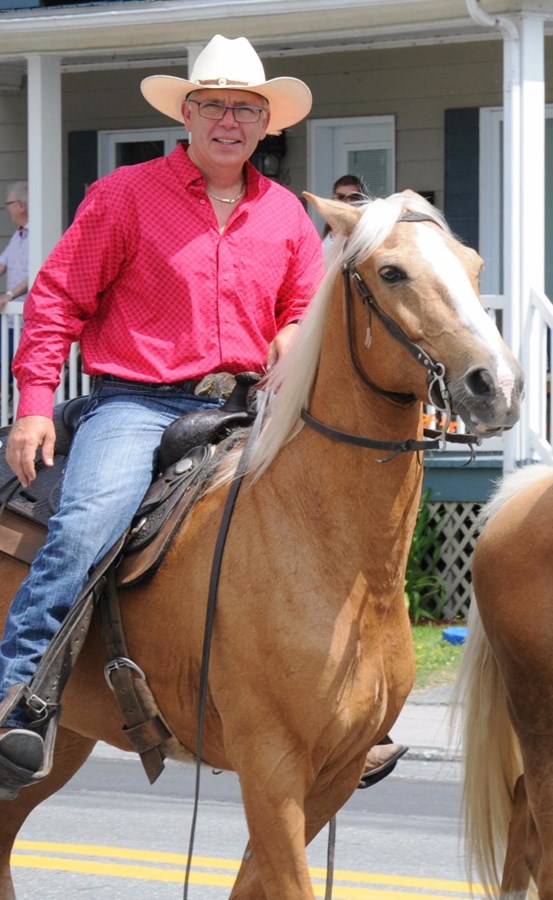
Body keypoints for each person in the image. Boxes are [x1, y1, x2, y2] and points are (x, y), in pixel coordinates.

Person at [0, 36, 400, 788]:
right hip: (138, 402)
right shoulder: (125, 195)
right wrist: (34, 405)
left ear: (266, 123)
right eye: (212, 105)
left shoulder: (284, 215)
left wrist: (289, 337)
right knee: (87, 524)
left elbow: (299, 310)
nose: (228, 120)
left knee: (336, 518)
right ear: (185, 114)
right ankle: (20, 696)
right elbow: (54, 300)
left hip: (250, 406)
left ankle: (346, 706)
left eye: (244, 108)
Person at [0, 182, 28, 311]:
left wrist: (10, 295)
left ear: (21, 206)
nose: (7, 208)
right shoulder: (18, 235)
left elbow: (38, 273)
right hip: (13, 315)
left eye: (9, 204)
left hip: (29, 313)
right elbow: (2, 264)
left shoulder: (40, 237)